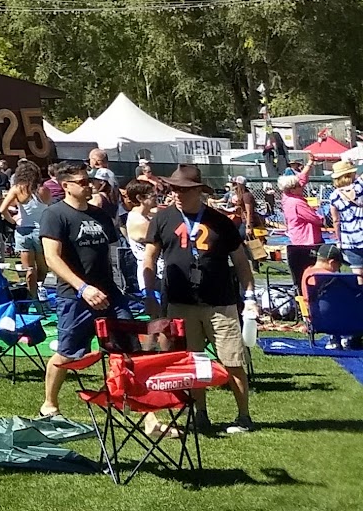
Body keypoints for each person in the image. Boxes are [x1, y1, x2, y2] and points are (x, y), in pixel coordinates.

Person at [142, 165, 255, 434]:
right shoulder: (162, 219)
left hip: (220, 303)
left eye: (183, 189)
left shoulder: (220, 221)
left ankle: (244, 415)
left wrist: (249, 296)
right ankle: (199, 414)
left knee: (233, 360)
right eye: (174, 188)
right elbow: (149, 257)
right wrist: (149, 293)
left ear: (198, 191)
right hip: (180, 302)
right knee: (191, 362)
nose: (177, 194)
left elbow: (240, 261)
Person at [40, 162, 132, 419]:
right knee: (67, 353)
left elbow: (114, 254)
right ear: (65, 185)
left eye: (88, 180)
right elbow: (52, 258)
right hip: (75, 296)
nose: (88, 185)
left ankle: (145, 415)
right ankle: (49, 403)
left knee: (126, 349)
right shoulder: (55, 214)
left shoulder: (100, 214)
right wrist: (83, 288)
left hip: (110, 294)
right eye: (81, 182)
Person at [9, 166, 54, 298]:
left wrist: (13, 220)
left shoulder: (17, 189)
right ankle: (40, 288)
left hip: (22, 230)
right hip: (40, 230)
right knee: (42, 266)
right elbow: (49, 206)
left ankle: (32, 295)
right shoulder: (43, 190)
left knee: (28, 269)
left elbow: (2, 209)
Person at [277, 172, 325, 296]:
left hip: (297, 240)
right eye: (298, 185)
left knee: (300, 275)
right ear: (292, 189)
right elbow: (316, 219)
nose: (301, 186)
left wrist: (309, 165)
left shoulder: (286, 198)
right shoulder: (297, 203)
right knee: (312, 273)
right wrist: (321, 216)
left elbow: (302, 180)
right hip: (307, 241)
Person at [302, 247, 356, 347]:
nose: (338, 269)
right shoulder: (335, 279)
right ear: (331, 262)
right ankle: (348, 339)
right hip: (347, 321)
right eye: (338, 265)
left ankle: (334, 339)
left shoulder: (307, 273)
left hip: (315, 319)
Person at [324, 160, 363, 269]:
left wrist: (339, 240)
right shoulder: (360, 187)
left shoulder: (334, 196)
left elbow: (336, 220)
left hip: (349, 239)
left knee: (358, 271)